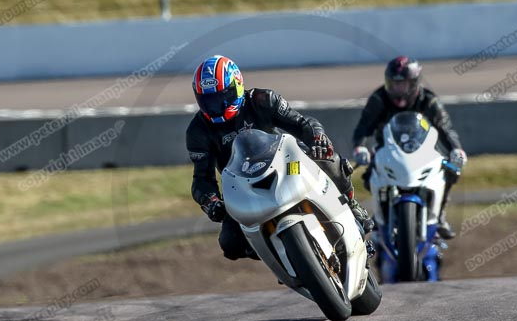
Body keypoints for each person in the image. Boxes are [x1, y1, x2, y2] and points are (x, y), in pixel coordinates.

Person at [186, 55, 374, 261]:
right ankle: (281, 257)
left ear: (238, 86)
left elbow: (302, 124)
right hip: (243, 186)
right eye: (209, 101)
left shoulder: (262, 100)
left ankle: (353, 206)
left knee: (329, 161)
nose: (217, 106)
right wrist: (210, 201)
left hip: (286, 163)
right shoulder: (198, 131)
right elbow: (202, 179)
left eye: (223, 96)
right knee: (230, 244)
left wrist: (318, 138)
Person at [351, 56, 466, 239]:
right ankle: (381, 214)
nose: (398, 90)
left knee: (449, 171)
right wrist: (359, 147)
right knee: (370, 174)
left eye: (402, 85)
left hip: (424, 150)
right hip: (388, 149)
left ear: (414, 83)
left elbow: (445, 127)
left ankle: (440, 215)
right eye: (394, 84)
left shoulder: (428, 100)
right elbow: (364, 127)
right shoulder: (378, 99)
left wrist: (456, 149)